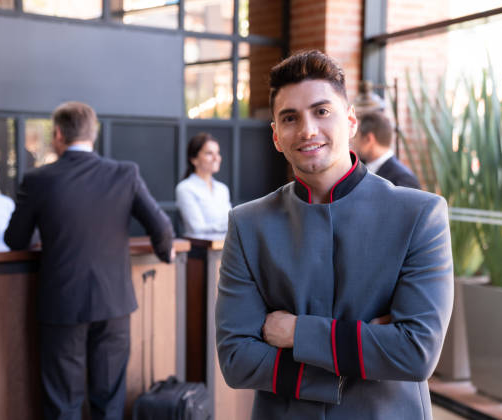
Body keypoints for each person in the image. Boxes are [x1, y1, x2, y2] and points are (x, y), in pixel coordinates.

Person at [215, 50, 453, 419]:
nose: (308, 129)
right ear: (276, 136)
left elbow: (415, 352)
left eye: (322, 111)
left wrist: (296, 333)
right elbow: (236, 358)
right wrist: (359, 357)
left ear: (352, 121)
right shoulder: (248, 224)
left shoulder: (420, 215)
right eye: (290, 118)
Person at [4, 101, 174, 420]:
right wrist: (167, 254)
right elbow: (162, 229)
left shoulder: (39, 180)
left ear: (57, 134)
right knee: (109, 400)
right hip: (114, 304)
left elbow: (15, 239)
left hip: (63, 304)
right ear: (93, 134)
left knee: (63, 403)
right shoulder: (125, 173)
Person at [175, 132, 231, 235]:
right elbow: (197, 229)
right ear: (194, 159)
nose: (216, 158)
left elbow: (231, 223)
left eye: (217, 153)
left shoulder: (223, 189)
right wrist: (230, 225)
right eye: (209, 153)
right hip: (200, 249)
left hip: (225, 248)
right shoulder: (185, 188)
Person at [353, 111, 420, 188]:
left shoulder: (403, 179)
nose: (353, 141)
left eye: (356, 136)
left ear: (369, 139)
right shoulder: (359, 169)